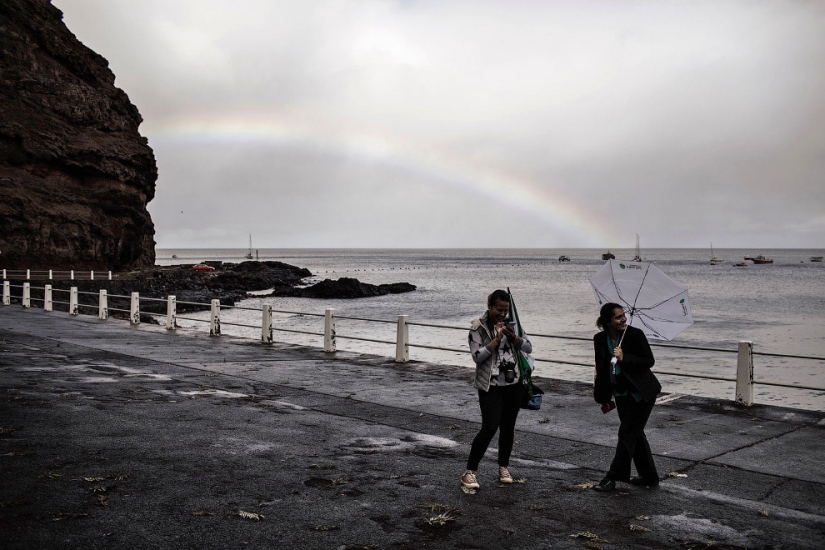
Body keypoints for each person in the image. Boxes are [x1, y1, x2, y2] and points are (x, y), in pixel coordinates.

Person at [460, 289, 533, 489]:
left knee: (508, 428)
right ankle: (469, 472)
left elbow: (529, 348)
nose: (502, 314)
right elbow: (477, 357)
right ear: (490, 306)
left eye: (505, 310)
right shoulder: (478, 328)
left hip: (514, 384)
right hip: (490, 385)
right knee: (489, 427)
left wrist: (514, 338)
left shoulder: (514, 324)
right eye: (498, 310)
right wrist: (496, 341)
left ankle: (503, 467)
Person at [592, 302, 661, 492]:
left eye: (623, 315)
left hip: (641, 394)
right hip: (620, 394)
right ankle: (650, 477)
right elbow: (602, 368)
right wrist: (603, 396)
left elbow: (649, 361)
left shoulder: (634, 334)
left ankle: (611, 478)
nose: (623, 319)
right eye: (618, 317)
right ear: (607, 321)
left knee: (627, 434)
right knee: (635, 435)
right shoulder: (599, 339)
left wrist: (625, 358)